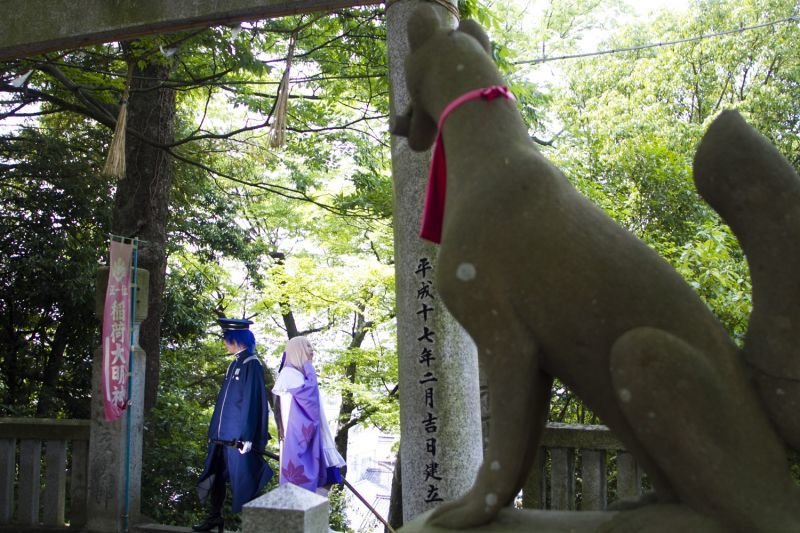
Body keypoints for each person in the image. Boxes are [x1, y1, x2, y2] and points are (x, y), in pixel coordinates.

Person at [193, 318, 273, 533]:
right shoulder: (235, 362)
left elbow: (251, 402)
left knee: (244, 479)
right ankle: (214, 518)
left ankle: (253, 526)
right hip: (223, 434)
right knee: (217, 475)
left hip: (238, 437)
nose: (225, 344)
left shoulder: (251, 364)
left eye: (227, 340)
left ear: (237, 339)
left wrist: (247, 436)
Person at [272, 335, 345, 495]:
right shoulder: (289, 374)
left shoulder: (298, 375)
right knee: (313, 493)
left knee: (324, 487)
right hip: (303, 442)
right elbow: (309, 400)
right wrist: (310, 369)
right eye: (306, 346)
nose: (311, 350)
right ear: (296, 350)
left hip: (317, 438)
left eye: (311, 346)